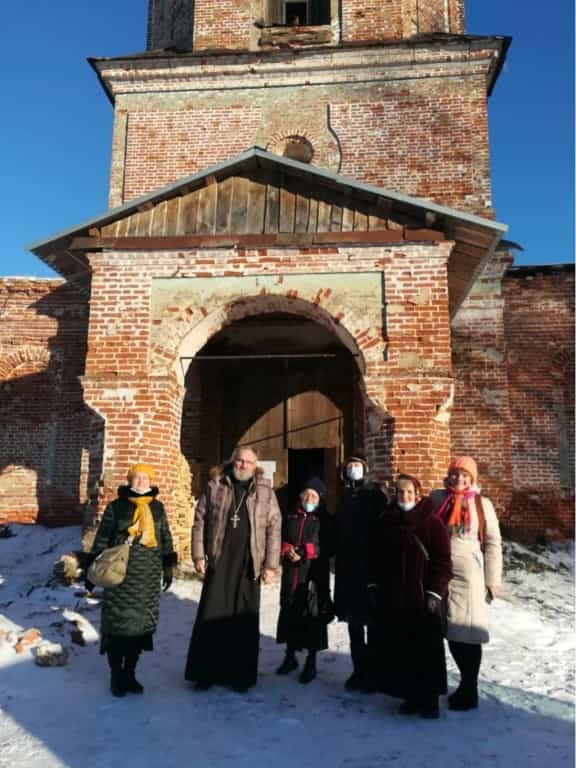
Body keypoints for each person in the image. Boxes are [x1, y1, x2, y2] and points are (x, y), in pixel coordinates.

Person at [185, 445, 281, 692]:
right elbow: (200, 521)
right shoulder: (216, 485)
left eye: (248, 462)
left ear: (255, 465)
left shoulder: (264, 490)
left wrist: (271, 565)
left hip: (250, 563)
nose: (243, 466)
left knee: (243, 619)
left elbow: (274, 528)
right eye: (239, 461)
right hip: (220, 560)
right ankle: (206, 673)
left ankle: (241, 675)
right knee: (211, 616)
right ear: (232, 461)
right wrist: (198, 555)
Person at [368, 475, 452, 718]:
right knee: (400, 647)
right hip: (395, 596)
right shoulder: (387, 521)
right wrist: (373, 585)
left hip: (421, 596)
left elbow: (443, 561)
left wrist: (435, 592)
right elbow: (375, 557)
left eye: (408, 492)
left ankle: (430, 699)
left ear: (418, 493)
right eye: (399, 491)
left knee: (426, 648)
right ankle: (409, 696)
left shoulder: (432, 522)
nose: (404, 496)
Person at [89, 463, 177, 697]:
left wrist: (168, 566)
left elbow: (165, 537)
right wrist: (91, 569)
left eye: (145, 478)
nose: (141, 482)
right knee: (118, 625)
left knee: (139, 628)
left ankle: (130, 673)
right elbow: (102, 538)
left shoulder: (157, 508)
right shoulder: (116, 507)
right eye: (136, 478)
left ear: (151, 481)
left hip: (147, 578)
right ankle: (116, 675)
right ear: (129, 480)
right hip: (120, 575)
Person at [431, 456, 503, 711]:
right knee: (448, 631)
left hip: (470, 575)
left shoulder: (482, 504)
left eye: (464, 475)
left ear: (472, 479)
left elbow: (493, 543)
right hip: (440, 571)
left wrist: (493, 580)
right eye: (455, 474)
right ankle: (455, 683)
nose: (459, 479)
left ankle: (469, 687)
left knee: (468, 633)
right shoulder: (437, 499)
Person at [333, 454, 387, 690]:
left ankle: (375, 672)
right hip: (348, 569)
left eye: (357, 465)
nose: (353, 469)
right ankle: (358, 671)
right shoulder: (344, 496)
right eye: (350, 466)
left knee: (373, 624)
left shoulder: (374, 495)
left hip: (371, 567)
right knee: (354, 624)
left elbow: (383, 528)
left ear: (365, 469)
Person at [276, 477, 333, 684]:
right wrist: (286, 549)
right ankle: (290, 656)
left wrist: (306, 551)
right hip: (292, 574)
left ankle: (311, 661)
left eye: (314, 495)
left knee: (312, 616)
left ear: (320, 499)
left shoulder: (325, 519)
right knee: (290, 611)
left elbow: (329, 545)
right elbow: (279, 537)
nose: (309, 498)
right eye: (306, 494)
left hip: (314, 576)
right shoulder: (291, 516)